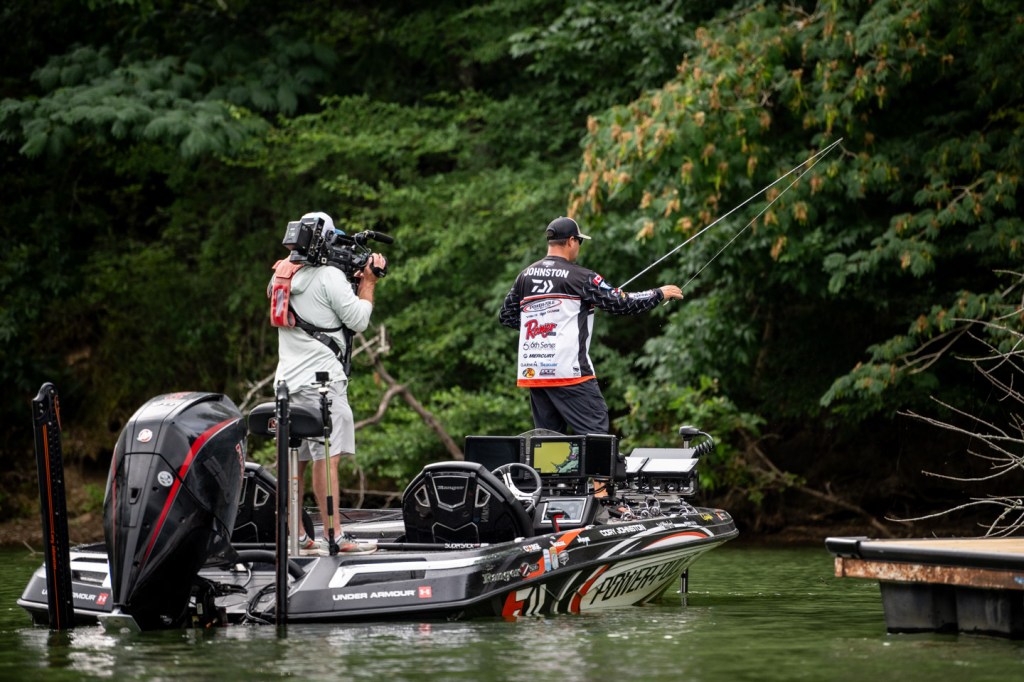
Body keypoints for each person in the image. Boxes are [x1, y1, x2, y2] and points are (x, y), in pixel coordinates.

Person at [269, 211, 387, 555]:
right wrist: (368, 283)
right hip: (323, 384)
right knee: (328, 457)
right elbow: (358, 320)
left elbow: (315, 307)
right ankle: (335, 537)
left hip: (287, 384)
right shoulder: (329, 277)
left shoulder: (280, 275)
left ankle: (296, 537)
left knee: (296, 460)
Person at [499, 216, 682, 435]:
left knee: (547, 442)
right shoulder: (581, 277)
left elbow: (506, 315)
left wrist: (544, 326)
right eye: (579, 241)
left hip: (535, 374)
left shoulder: (525, 276)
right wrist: (658, 293)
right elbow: (621, 304)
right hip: (570, 372)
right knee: (596, 436)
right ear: (571, 241)